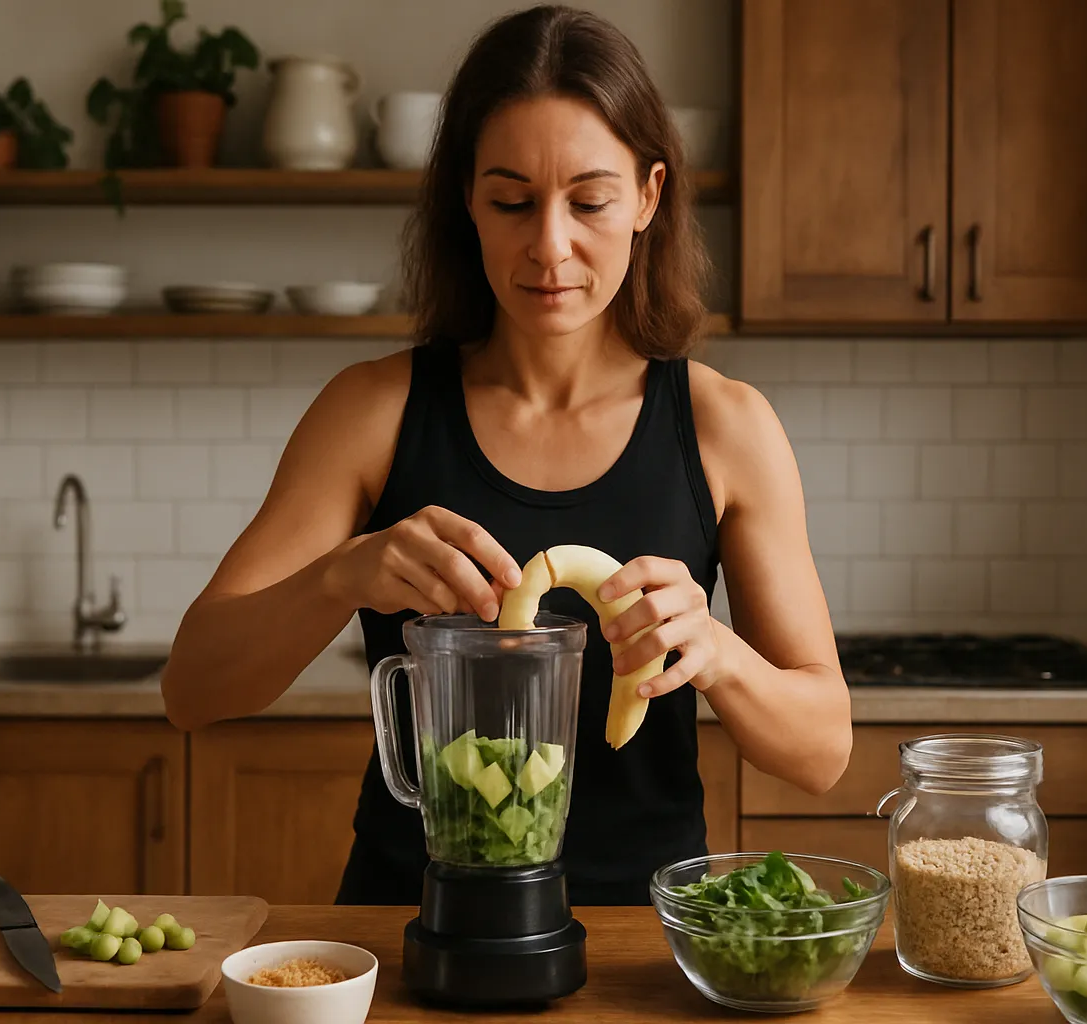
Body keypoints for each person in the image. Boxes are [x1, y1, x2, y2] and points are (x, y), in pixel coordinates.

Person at [160, 4, 852, 907]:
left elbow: (824, 751)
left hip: (643, 945)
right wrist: (340, 577)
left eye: (591, 201)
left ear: (648, 197)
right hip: (408, 926)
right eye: (513, 201)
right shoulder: (370, 412)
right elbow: (191, 690)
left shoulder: (728, 427)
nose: (550, 246)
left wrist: (714, 652)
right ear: (466, 199)